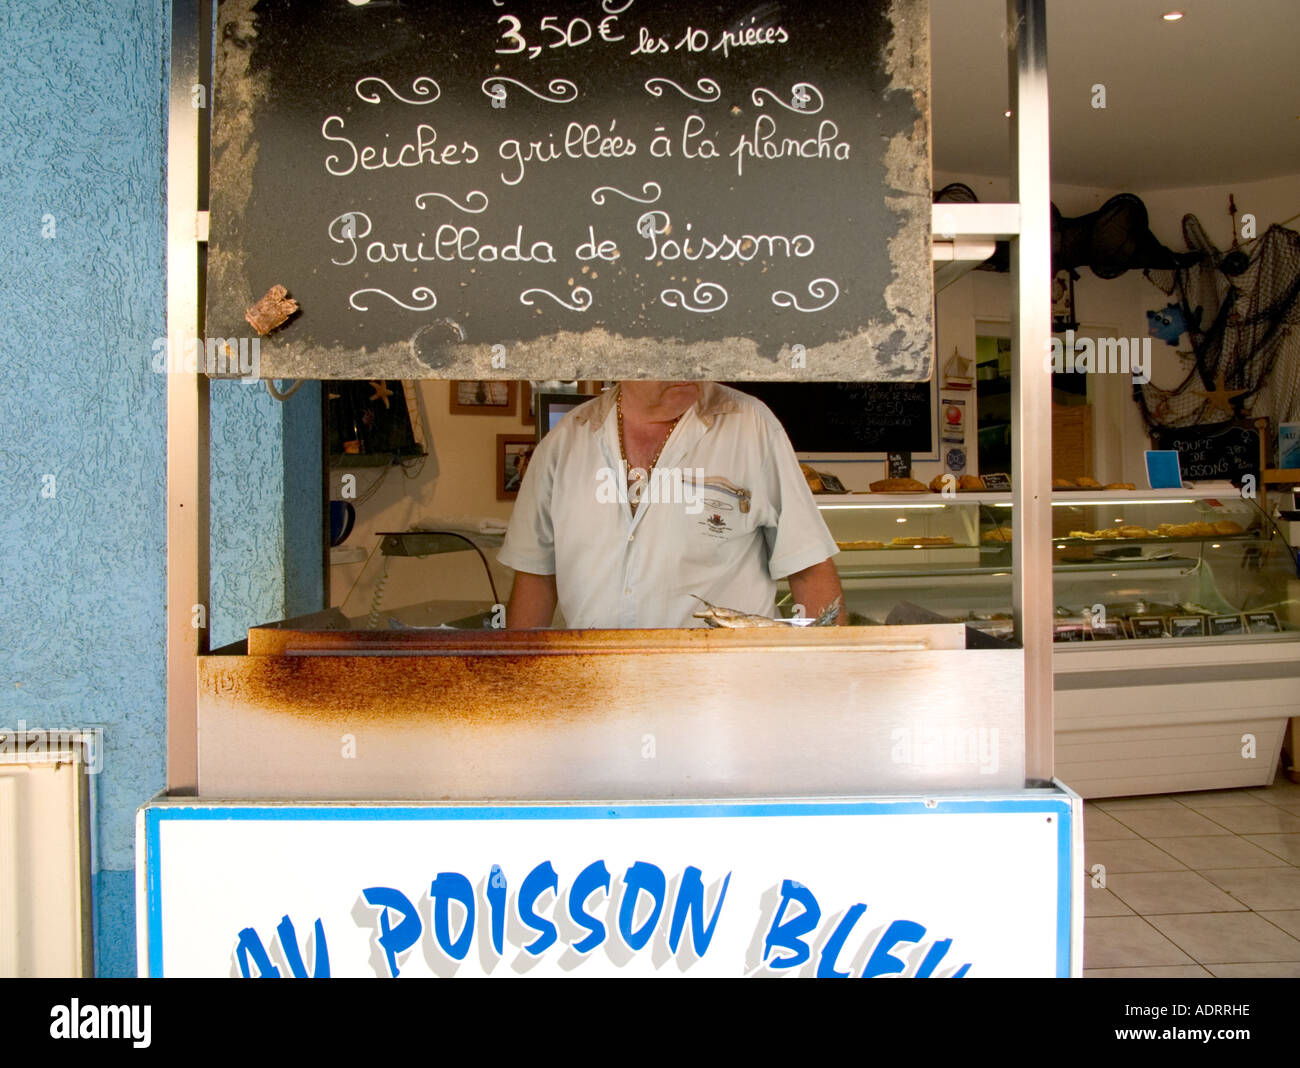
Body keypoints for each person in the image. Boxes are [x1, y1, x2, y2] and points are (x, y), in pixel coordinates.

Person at [498, 380, 844, 628]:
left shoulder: (752, 425)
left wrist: (828, 687)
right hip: (600, 695)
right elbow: (536, 577)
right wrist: (516, 686)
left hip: (722, 700)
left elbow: (808, 568)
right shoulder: (566, 441)